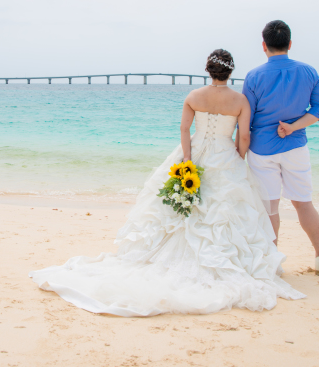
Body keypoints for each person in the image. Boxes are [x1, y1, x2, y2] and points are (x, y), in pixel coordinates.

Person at [29, 49, 304, 317]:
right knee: (221, 213)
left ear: (208, 70)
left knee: (177, 210)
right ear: (230, 72)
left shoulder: (194, 96)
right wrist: (238, 160)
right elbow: (243, 137)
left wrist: (187, 158)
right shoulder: (240, 101)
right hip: (225, 156)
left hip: (194, 152)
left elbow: (185, 128)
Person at [243, 20, 319, 276]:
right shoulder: (309, 72)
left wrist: (238, 150)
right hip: (295, 147)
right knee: (303, 203)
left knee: (270, 207)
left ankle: (274, 263)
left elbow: (245, 119)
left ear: (263, 46)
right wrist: (292, 127)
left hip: (262, 150)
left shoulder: (254, 76)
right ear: (290, 44)